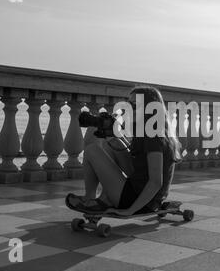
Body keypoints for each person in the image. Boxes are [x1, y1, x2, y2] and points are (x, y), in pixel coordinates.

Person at [66, 85, 182, 216]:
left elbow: (156, 182)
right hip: (143, 194)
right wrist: (113, 135)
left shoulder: (153, 137)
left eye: (134, 105)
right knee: (112, 143)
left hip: (140, 201)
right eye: (128, 104)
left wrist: (130, 211)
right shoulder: (151, 130)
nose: (129, 109)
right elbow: (140, 166)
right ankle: (104, 199)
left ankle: (90, 198)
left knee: (92, 150)